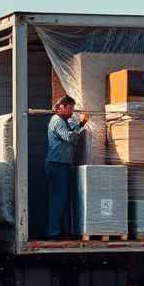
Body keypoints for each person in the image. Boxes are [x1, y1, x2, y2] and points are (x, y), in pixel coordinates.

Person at [46, 95, 90, 239]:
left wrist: (78, 124)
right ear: (61, 107)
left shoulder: (64, 121)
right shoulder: (57, 121)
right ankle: (54, 232)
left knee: (62, 198)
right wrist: (82, 124)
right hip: (57, 165)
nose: (72, 112)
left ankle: (60, 230)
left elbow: (71, 132)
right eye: (70, 108)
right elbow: (69, 137)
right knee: (58, 199)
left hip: (62, 164)